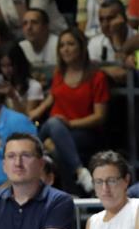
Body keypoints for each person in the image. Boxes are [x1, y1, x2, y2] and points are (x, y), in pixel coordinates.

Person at [37, 28, 109, 194]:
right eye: (62, 45)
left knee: (57, 147)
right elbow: (52, 97)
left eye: (70, 44)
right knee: (51, 126)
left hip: (84, 131)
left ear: (82, 47)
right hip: (54, 127)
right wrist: (36, 111)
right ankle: (80, 172)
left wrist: (69, 123)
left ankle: (71, 193)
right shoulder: (59, 73)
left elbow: (99, 116)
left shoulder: (97, 76)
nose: (65, 49)